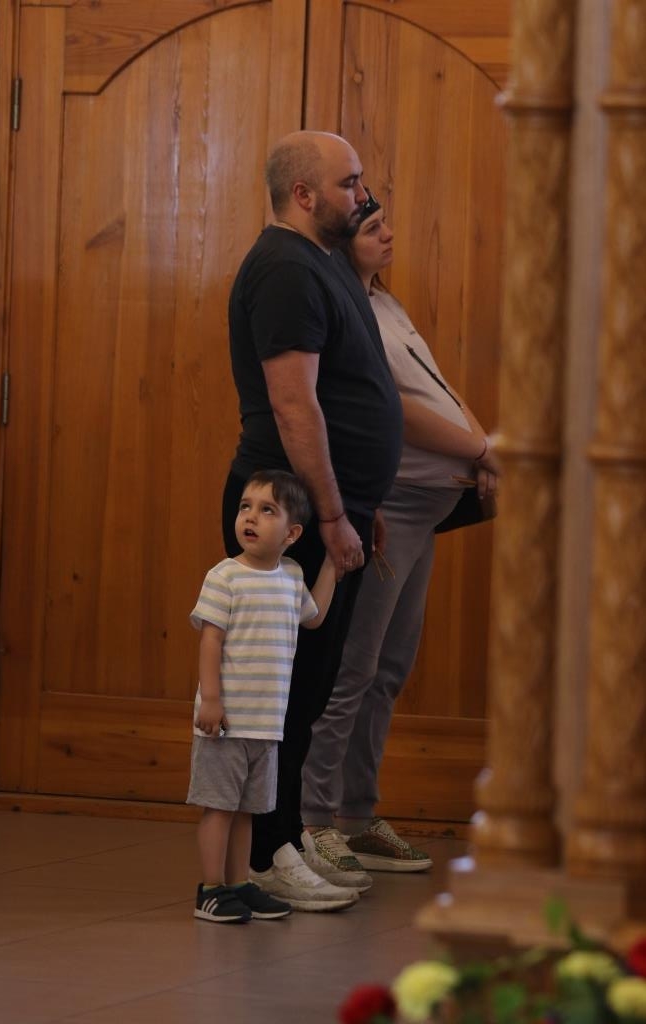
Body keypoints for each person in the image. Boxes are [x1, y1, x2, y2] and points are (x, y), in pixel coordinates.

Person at [223, 133, 403, 910]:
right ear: (303, 194)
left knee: (313, 683)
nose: (363, 194)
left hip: (331, 511)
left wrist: (362, 502)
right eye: (349, 182)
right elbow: (295, 407)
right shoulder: (285, 270)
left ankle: (287, 837)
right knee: (283, 693)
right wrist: (331, 512)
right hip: (292, 515)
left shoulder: (324, 261)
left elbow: (347, 392)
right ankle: (265, 854)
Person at [300, 193, 500, 873]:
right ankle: (313, 819)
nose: (388, 234)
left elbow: (437, 389)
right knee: (352, 667)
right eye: (372, 228)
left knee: (387, 670)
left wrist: (480, 449)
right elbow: (397, 411)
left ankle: (357, 816)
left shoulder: (384, 303)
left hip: (431, 506)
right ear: (339, 242)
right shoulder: (344, 311)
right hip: (392, 503)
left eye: (386, 223)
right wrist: (482, 451)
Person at [189, 469, 337, 923]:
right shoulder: (224, 577)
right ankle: (211, 889)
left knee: (247, 811)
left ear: (292, 534)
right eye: (245, 507)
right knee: (220, 808)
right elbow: (210, 640)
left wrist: (333, 565)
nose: (250, 517)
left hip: (266, 723)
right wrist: (211, 700)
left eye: (267, 510)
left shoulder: (291, 576)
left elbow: (314, 617)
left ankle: (239, 884)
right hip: (227, 722)